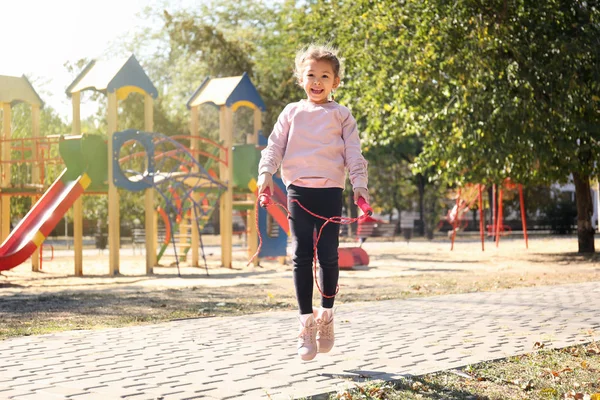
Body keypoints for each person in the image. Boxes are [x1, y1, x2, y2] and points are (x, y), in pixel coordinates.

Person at [257, 44, 369, 361]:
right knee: (301, 255)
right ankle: (305, 324)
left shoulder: (342, 115)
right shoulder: (291, 112)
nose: (317, 81)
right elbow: (274, 146)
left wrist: (360, 185)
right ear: (300, 78)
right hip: (299, 193)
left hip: (331, 191)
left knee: (328, 256)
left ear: (336, 81)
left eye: (324, 76)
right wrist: (266, 173)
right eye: (311, 75)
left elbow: (353, 155)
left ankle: (326, 316)